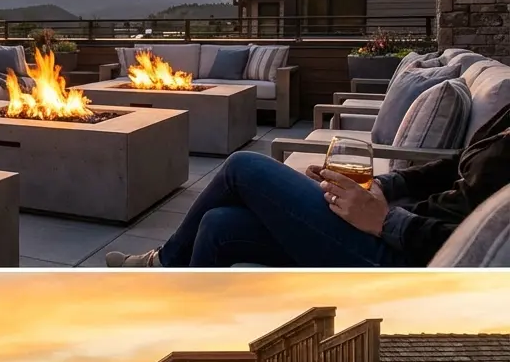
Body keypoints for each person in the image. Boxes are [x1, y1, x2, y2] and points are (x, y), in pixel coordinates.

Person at [106, 124, 510, 268]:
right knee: (218, 225)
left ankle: (163, 261)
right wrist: (385, 187)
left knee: (243, 167)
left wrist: (386, 221)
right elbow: (455, 163)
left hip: (404, 255)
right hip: (394, 220)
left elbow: (479, 250)